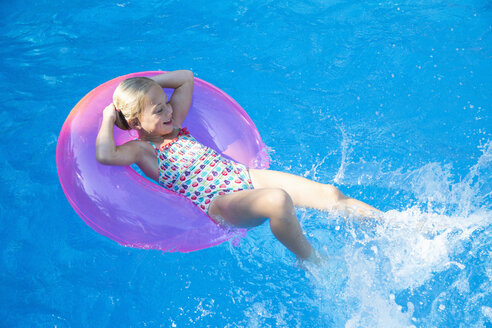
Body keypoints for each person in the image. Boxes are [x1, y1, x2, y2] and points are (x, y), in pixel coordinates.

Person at [96, 70, 380, 263]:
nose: (169, 110)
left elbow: (185, 77)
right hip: (219, 202)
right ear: (135, 123)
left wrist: (147, 87)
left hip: (242, 176)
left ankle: (389, 222)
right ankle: (312, 261)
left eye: (167, 103)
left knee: (330, 194)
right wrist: (111, 116)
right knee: (278, 200)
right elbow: (105, 154)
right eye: (159, 110)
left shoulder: (176, 125)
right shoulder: (143, 151)